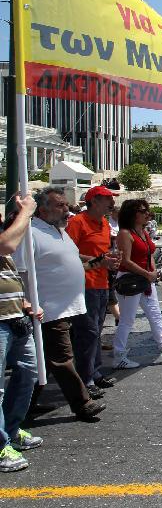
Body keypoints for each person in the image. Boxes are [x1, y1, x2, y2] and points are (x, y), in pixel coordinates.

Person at [14, 187, 105, 421]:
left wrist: (98, 263)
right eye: (60, 205)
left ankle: (22, 405)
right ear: (42, 209)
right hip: (48, 308)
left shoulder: (59, 232)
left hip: (71, 305)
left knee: (40, 363)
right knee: (61, 357)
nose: (67, 209)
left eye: (66, 204)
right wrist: (27, 302)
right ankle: (82, 402)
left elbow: (71, 263)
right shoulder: (31, 233)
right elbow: (20, 272)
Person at [113, 199, 162, 367]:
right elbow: (125, 261)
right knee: (127, 320)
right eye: (143, 211)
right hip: (130, 281)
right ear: (132, 214)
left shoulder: (142, 231)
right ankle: (119, 356)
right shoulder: (125, 233)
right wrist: (148, 274)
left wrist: (152, 272)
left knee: (155, 315)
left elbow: (149, 254)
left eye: (147, 210)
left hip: (145, 280)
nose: (147, 213)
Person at [0, 194, 43, 473]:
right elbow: (7, 244)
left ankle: (12, 430)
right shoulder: (4, 239)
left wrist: (23, 302)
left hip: (15, 317)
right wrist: (26, 212)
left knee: (28, 373)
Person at [65, 185, 120, 398]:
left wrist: (110, 261)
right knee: (87, 333)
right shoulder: (77, 222)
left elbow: (102, 253)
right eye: (107, 199)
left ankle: (94, 373)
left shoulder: (104, 223)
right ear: (94, 201)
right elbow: (69, 254)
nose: (111, 203)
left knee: (96, 331)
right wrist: (100, 261)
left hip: (101, 283)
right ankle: (86, 378)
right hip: (84, 283)